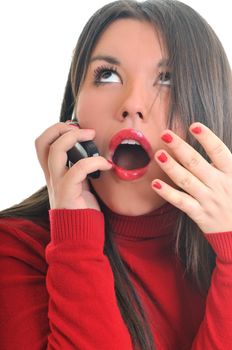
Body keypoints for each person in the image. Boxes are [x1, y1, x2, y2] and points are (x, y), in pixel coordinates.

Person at [1, 0, 232, 349]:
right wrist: (75, 237)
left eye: (167, 78)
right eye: (106, 75)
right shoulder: (16, 248)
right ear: (73, 109)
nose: (132, 104)